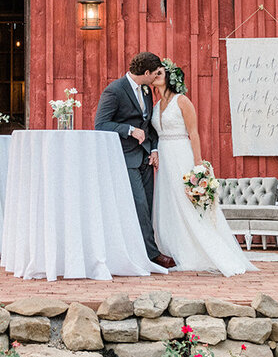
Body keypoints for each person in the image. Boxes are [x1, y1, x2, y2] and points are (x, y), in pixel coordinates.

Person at [150, 58, 256, 275]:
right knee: (167, 202)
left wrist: (198, 164)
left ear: (169, 76)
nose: (155, 75)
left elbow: (194, 132)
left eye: (159, 72)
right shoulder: (156, 105)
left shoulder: (182, 101)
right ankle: (170, 249)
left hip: (181, 152)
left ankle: (202, 251)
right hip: (164, 156)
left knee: (186, 201)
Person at [94, 52, 176, 269]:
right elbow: (100, 124)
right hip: (126, 157)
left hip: (146, 157)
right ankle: (152, 255)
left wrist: (155, 148)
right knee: (139, 204)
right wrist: (129, 130)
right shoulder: (114, 90)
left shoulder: (147, 91)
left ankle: (142, 250)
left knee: (147, 205)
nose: (157, 77)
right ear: (146, 72)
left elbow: (149, 126)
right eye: (155, 73)